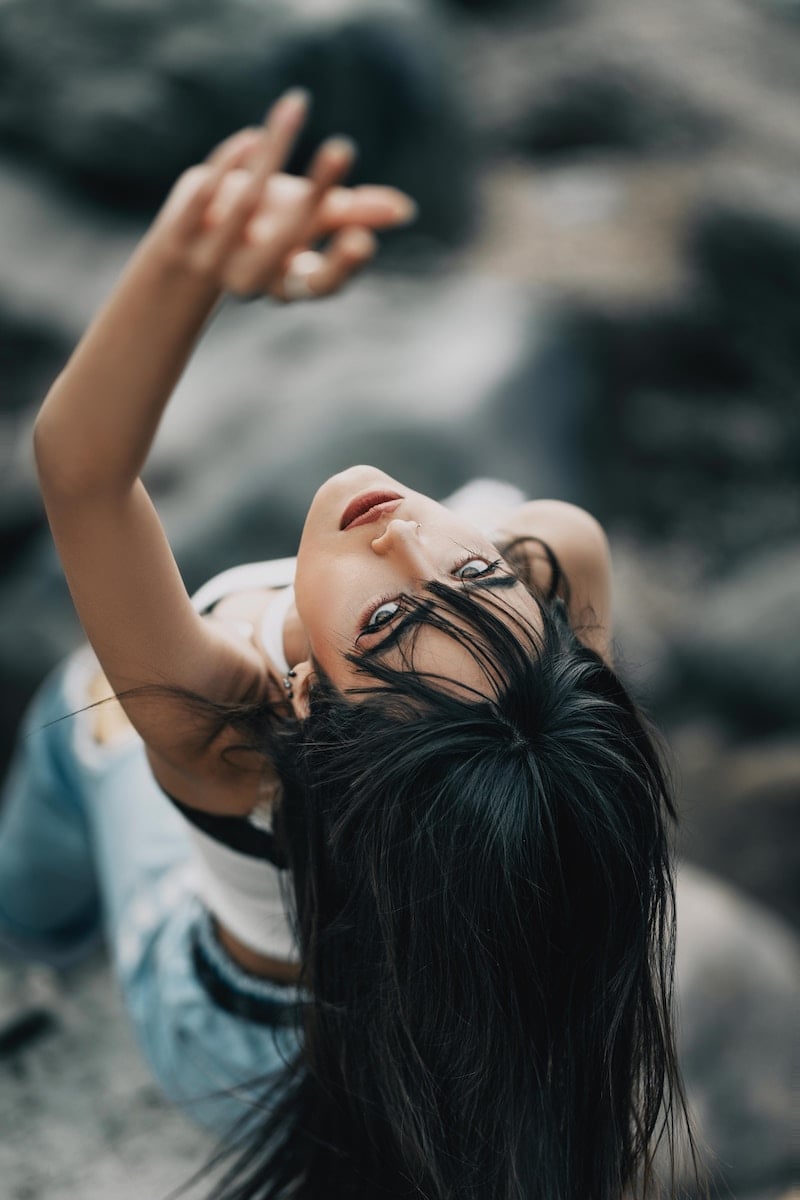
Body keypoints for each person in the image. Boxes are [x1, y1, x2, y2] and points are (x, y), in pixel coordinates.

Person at [0, 89, 696, 1198]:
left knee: (81, 720)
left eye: (384, 622)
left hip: (237, 1023)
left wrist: (192, 258)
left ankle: (29, 937)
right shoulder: (557, 555)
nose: (404, 539)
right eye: (472, 578)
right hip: (378, 957)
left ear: (307, 714)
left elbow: (83, 470)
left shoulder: (224, 732)